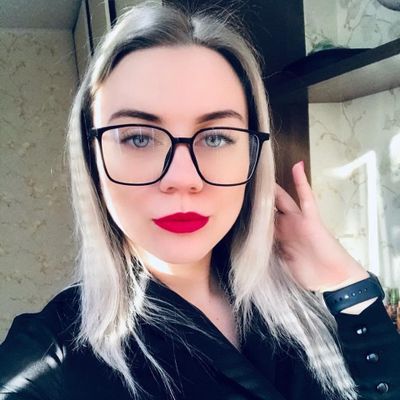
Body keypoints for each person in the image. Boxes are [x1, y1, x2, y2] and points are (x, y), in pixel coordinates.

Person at [0, 2, 399, 399]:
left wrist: (346, 281)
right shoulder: (50, 354)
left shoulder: (303, 301)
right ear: (92, 159)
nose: (183, 179)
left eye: (216, 137)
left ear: (252, 153)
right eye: (138, 137)